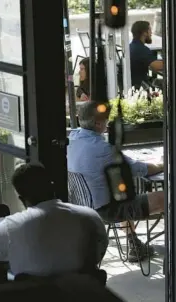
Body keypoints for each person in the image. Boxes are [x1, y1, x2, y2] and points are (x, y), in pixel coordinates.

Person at [0, 163, 108, 280]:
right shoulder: (90, 216)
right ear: (53, 187)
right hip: (84, 295)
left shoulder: (12, 226)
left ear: (21, 198)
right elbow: (99, 253)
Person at [67, 101, 164, 261]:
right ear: (98, 123)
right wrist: (162, 164)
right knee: (165, 197)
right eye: (106, 119)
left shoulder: (73, 138)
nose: (109, 122)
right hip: (104, 211)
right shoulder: (102, 149)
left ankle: (134, 244)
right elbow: (142, 170)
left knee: (120, 190)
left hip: (81, 205)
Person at [129, 21, 164, 89]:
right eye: (150, 30)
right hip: (140, 87)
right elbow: (157, 66)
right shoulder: (141, 49)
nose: (151, 33)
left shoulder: (131, 46)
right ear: (144, 33)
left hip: (134, 84)